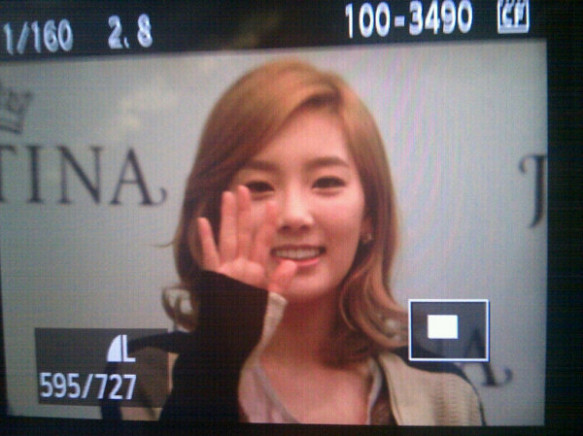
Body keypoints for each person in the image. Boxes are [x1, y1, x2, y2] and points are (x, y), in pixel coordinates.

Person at [106, 59, 484, 425]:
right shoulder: (148, 377)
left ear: (369, 213)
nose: (294, 215)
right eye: (259, 186)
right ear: (216, 211)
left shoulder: (445, 395)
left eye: (327, 182)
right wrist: (215, 366)